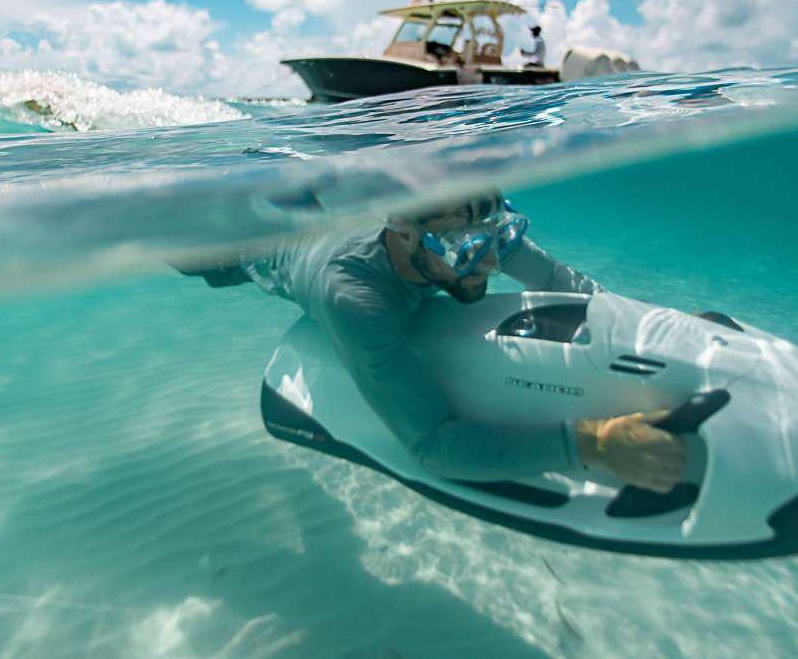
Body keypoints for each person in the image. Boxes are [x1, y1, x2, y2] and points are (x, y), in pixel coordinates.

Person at [231, 191, 686, 492]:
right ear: (405, 231)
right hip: (244, 247)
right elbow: (433, 446)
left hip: (316, 212)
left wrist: (651, 327)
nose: (489, 261)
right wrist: (594, 442)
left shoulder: (468, 220)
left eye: (498, 236)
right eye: (467, 248)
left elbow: (552, 277)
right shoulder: (355, 297)